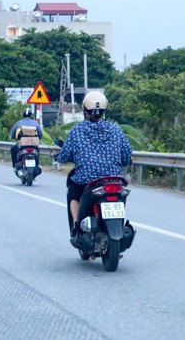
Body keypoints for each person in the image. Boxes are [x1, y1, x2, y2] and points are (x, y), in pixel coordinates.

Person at [54, 91, 132, 236]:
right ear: (104, 111)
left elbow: (65, 155)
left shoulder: (78, 130)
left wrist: (61, 157)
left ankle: (77, 226)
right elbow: (127, 154)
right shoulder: (116, 129)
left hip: (86, 180)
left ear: (85, 110)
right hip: (114, 179)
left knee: (73, 193)